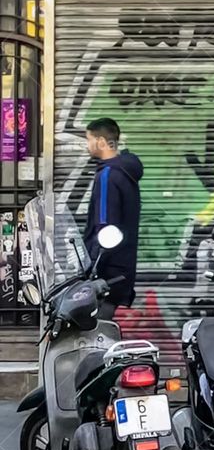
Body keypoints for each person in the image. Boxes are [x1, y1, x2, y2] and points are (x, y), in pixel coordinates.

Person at [83, 118, 143, 320]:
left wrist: (91, 267)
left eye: (88, 139)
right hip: (122, 270)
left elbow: (105, 227)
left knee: (96, 334)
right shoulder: (126, 173)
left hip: (107, 274)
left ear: (100, 142)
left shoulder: (108, 175)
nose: (87, 145)